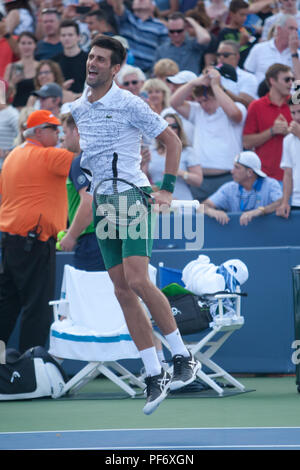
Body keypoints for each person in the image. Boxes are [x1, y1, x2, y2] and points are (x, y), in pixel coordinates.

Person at [69, 35, 201, 415]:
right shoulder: (79, 108)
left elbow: (172, 142)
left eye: (101, 59)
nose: (92, 63)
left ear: (114, 69)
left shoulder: (130, 103)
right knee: (122, 290)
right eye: (90, 57)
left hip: (133, 198)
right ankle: (152, 372)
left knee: (139, 280)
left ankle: (182, 356)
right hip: (105, 206)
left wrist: (167, 191)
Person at [0, 109, 74, 353]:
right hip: (34, 240)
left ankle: (8, 369)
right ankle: (29, 364)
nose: (59, 133)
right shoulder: (47, 156)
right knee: (37, 307)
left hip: (11, 240)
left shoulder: (13, 155)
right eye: (54, 129)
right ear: (39, 132)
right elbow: (87, 162)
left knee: (8, 305)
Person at [170, 66, 247, 201]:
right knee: (199, 221)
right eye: (200, 101)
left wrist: (215, 86)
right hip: (201, 180)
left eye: (207, 100)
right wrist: (194, 82)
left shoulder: (237, 107)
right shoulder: (197, 111)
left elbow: (235, 115)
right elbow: (174, 103)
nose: (203, 105)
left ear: (217, 96)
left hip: (227, 176)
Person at [59, 113, 105, 271]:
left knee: (91, 293)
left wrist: (72, 235)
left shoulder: (81, 162)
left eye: (65, 132)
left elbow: (89, 201)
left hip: (92, 240)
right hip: (109, 236)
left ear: (76, 131)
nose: (62, 138)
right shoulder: (103, 157)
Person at [243, 63, 293, 182]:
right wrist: (272, 131)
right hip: (264, 176)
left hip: (293, 176)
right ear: (272, 81)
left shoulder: (297, 103)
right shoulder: (256, 106)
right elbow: (246, 143)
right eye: (287, 79)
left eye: (292, 79)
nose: (291, 83)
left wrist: (289, 132)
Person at [203, 151, 283, 225]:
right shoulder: (229, 188)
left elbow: (281, 203)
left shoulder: (271, 184)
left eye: (237, 167)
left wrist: (261, 210)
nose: (232, 171)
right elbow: (200, 206)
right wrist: (212, 212)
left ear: (250, 172)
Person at [143, 113, 203, 200]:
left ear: (179, 129)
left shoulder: (187, 151)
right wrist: (142, 164)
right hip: (158, 202)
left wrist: (180, 173)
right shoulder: (151, 151)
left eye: (174, 126)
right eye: (166, 126)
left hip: (182, 202)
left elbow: (198, 180)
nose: (170, 129)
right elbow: (144, 179)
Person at [110, 0, 169, 73]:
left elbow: (165, 51)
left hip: (148, 73)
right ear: (133, 5)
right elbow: (118, 6)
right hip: (123, 70)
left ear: (153, 6)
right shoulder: (126, 18)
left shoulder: (160, 26)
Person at [244, 13, 300, 86]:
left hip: (288, 95)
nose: (295, 33)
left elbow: (298, 83)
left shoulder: (297, 54)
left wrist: (294, 53)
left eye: (296, 30)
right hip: (259, 94)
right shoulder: (259, 49)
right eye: (291, 28)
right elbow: (247, 75)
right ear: (279, 29)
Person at [215, 39, 258, 107]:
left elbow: (245, 104)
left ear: (237, 56)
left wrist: (218, 87)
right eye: (218, 55)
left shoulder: (248, 78)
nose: (221, 58)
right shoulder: (210, 74)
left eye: (226, 55)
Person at [276, 97, 300, 217]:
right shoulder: (288, 140)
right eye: (293, 112)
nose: (296, 117)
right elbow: (288, 173)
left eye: (299, 112)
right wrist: (285, 202)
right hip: (297, 201)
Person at [216, 0, 258, 68]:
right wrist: (241, 44)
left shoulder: (248, 30)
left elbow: (254, 47)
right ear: (232, 14)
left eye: (246, 15)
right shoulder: (224, 32)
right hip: (231, 68)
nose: (245, 18)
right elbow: (221, 54)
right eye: (241, 14)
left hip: (247, 68)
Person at [4, 31, 39, 109]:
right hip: (15, 110)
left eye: (29, 43)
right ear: (18, 45)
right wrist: (12, 84)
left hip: (35, 110)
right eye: (23, 43)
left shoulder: (40, 66)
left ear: (35, 45)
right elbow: (2, 99)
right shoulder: (11, 68)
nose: (26, 47)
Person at [53, 19, 88, 94]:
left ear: (78, 37)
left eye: (70, 35)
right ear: (59, 38)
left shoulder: (89, 60)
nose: (66, 38)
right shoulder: (54, 62)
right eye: (63, 35)